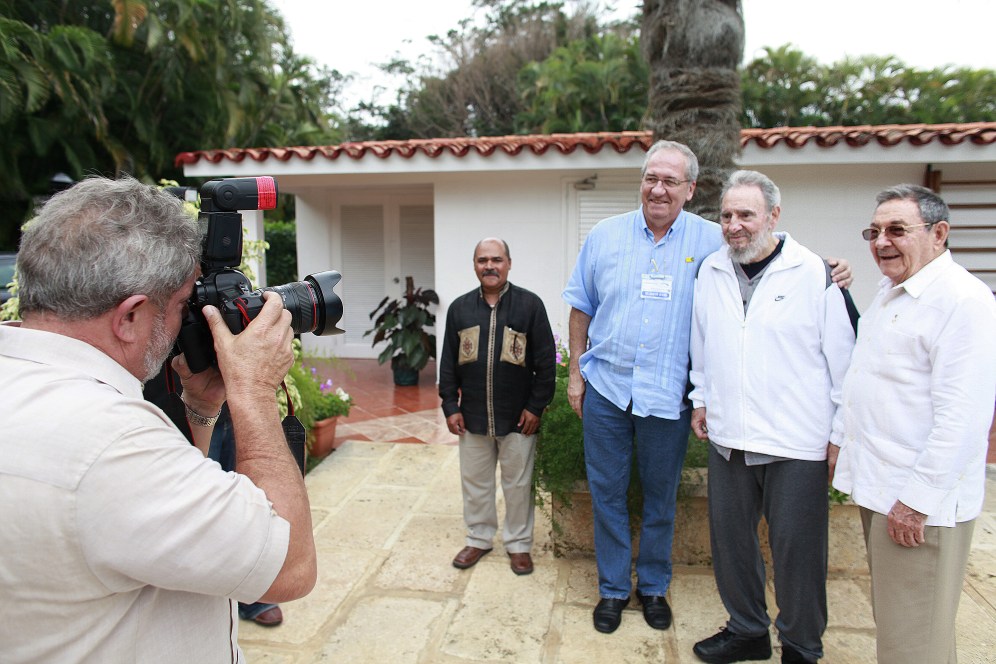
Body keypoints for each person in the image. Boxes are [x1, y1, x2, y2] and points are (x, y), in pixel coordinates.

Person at [0, 176, 316, 662]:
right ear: (129, 317)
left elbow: (158, 509)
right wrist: (252, 389)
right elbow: (288, 567)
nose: (188, 322)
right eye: (183, 305)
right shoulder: (109, 440)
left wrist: (201, 404)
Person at [562, 140, 852, 634]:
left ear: (690, 189)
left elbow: (762, 246)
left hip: (666, 396)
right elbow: (580, 305)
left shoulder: (711, 241)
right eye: (651, 178)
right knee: (606, 493)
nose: (658, 189)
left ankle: (652, 586)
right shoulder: (604, 236)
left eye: (670, 181)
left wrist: (828, 268)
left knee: (661, 497)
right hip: (607, 390)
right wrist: (573, 376)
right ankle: (613, 589)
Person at [688, 170, 856, 664]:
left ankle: (802, 646)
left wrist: (839, 433)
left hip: (796, 443)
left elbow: (844, 363)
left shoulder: (816, 274)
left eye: (746, 214)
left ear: (773, 217)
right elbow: (703, 346)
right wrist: (701, 399)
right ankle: (747, 631)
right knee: (732, 546)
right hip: (729, 438)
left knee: (798, 554)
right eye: (726, 215)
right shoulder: (711, 271)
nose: (734, 225)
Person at [830, 184, 996, 664]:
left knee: (912, 643)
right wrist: (842, 441)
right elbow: (866, 377)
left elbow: (963, 418)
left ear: (939, 234)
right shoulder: (892, 293)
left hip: (918, 505)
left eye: (897, 230)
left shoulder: (962, 301)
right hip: (884, 489)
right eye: (875, 230)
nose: (882, 241)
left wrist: (916, 502)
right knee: (909, 630)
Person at [439, 237, 556, 575]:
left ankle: (519, 545)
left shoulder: (529, 306)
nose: (489, 266)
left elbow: (546, 363)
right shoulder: (460, 309)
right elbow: (448, 363)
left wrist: (535, 407)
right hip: (472, 416)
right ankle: (478, 538)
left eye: (496, 260)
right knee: (475, 482)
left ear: (508, 263)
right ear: (474, 265)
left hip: (519, 418)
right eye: (482, 260)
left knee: (518, 485)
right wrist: (450, 405)